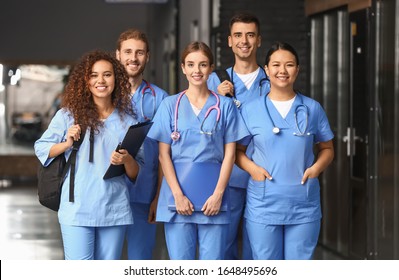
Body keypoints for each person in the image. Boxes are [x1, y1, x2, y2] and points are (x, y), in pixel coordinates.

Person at [147, 41, 249, 260]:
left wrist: (218, 195)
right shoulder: (169, 105)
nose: (197, 70)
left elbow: (230, 154)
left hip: (214, 198)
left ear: (211, 68)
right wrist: (177, 195)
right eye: (191, 65)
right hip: (177, 198)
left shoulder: (225, 106)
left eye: (203, 65)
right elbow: (163, 154)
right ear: (183, 67)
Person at [34, 50, 139, 260]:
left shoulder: (128, 122)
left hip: (114, 210)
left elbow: (135, 174)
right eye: (93, 75)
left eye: (107, 74)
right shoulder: (67, 116)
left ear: (116, 79)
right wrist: (66, 143)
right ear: (85, 81)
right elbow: (42, 148)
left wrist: (127, 159)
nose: (101, 80)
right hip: (77, 209)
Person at [236, 41, 334, 259]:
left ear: (297, 70)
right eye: (276, 65)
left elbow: (327, 148)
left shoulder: (312, 108)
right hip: (263, 204)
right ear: (267, 70)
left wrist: (316, 169)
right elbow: (237, 152)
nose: (282, 71)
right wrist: (253, 169)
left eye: (289, 65)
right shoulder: (251, 110)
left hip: (303, 204)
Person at [207, 12, 270, 260]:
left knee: (260, 248)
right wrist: (218, 100)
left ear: (259, 40)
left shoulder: (272, 80)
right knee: (223, 245)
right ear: (230, 41)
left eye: (250, 35)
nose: (244, 41)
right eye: (238, 35)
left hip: (263, 176)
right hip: (227, 178)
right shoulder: (213, 81)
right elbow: (200, 127)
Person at [115, 28, 169, 260]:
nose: (133, 58)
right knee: (106, 259)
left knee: (141, 261)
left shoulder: (161, 99)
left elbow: (166, 154)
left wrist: (159, 197)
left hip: (144, 194)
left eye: (139, 52)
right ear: (117, 55)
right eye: (127, 51)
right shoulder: (104, 93)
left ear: (147, 56)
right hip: (110, 192)